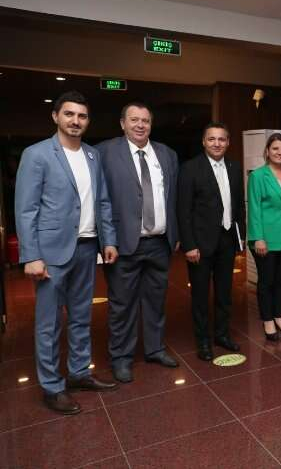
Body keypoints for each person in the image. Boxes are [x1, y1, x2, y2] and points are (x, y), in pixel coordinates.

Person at [15, 91, 119, 414]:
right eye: (69, 114)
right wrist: (31, 256)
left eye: (82, 116)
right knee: (49, 324)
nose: (76, 121)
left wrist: (109, 240)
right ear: (55, 116)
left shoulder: (93, 155)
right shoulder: (37, 154)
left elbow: (102, 201)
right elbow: (26, 209)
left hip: (87, 248)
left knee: (81, 317)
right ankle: (52, 386)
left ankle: (78, 373)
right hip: (50, 253)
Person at [97, 102, 180, 383]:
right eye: (134, 120)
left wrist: (175, 234)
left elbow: (173, 198)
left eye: (145, 120)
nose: (140, 125)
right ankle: (121, 357)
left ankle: (155, 349)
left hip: (159, 243)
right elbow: (100, 200)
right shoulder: (105, 152)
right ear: (123, 123)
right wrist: (106, 240)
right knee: (122, 305)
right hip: (123, 244)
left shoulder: (167, 154)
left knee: (156, 301)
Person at [178, 123, 246, 361]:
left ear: (228, 142)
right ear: (203, 142)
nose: (217, 143)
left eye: (221, 139)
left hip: (227, 240)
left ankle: (222, 335)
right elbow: (183, 210)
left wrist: (240, 237)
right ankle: (203, 342)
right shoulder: (190, 168)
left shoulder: (235, 167)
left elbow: (238, 206)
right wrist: (189, 245)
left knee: (225, 294)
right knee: (200, 296)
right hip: (200, 243)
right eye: (212, 139)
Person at [247, 133, 281, 340]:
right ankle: (267, 320)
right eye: (275, 148)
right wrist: (258, 237)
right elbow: (254, 208)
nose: (280, 152)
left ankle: (279, 316)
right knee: (266, 281)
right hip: (265, 239)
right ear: (267, 151)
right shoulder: (258, 176)